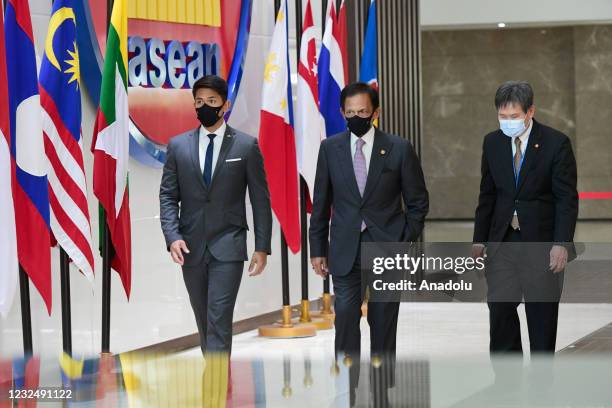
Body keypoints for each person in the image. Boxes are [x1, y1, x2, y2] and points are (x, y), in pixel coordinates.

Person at [309, 82, 429, 407]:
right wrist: (317, 248)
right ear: (342, 114)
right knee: (345, 315)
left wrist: (405, 237)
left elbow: (417, 201)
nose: (356, 118)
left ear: (376, 113)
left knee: (383, 317)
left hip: (388, 247)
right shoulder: (330, 149)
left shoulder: (399, 148)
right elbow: (321, 203)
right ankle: (347, 385)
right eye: (350, 113)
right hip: (345, 248)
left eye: (363, 112)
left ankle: (381, 387)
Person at [159, 75, 272, 354]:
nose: (204, 107)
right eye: (199, 102)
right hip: (191, 246)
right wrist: (172, 236)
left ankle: (216, 387)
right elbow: (168, 196)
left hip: (228, 244)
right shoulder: (178, 146)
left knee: (218, 317)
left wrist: (262, 246)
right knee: (204, 320)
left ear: (225, 105)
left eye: (211, 101)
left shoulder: (246, 146)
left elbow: (260, 199)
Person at [472, 81, 578, 372]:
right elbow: (488, 194)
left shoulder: (556, 143)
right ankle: (507, 382)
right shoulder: (492, 143)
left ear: (530, 111)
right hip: (503, 242)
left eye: (514, 116)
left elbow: (566, 199)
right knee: (500, 311)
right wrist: (479, 239)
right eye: (502, 117)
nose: (508, 123)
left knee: (541, 314)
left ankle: (542, 386)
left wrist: (561, 244)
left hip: (541, 244)